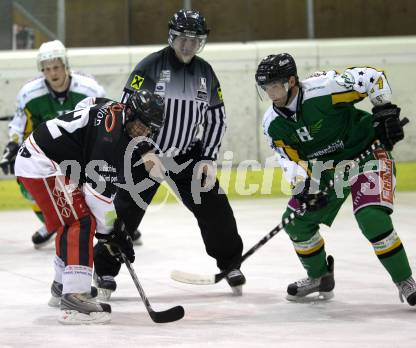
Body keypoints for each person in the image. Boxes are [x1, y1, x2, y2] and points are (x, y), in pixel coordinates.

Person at [93, 9, 246, 299]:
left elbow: (216, 118)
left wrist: (208, 157)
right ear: (171, 37)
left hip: (188, 156)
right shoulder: (149, 67)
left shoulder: (206, 73)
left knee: (215, 208)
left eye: (195, 41)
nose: (188, 46)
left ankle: (230, 264)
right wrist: (146, 150)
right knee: (125, 212)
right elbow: (126, 112)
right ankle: (104, 271)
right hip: (143, 154)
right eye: (183, 39)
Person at [255, 53, 416, 308]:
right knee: (296, 222)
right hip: (328, 169)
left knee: (371, 217)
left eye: (275, 86)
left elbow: (372, 77)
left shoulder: (324, 88)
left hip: (367, 152)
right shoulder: (272, 124)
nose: (270, 93)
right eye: (265, 87)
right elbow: (288, 159)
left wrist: (384, 112)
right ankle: (320, 277)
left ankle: (405, 280)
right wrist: (303, 186)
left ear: (291, 81)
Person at [14, 89, 165, 324]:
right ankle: (74, 297)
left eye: (150, 129)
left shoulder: (115, 108)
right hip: (42, 164)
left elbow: (89, 102)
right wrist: (112, 234)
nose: (144, 132)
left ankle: (61, 284)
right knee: (81, 220)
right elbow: (97, 197)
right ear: (131, 113)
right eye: (141, 126)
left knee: (72, 218)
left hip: (46, 158)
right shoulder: (110, 141)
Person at [0, 39, 106, 249]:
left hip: (81, 152)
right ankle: (53, 223)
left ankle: (107, 225)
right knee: (27, 184)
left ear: (66, 65)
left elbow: (103, 120)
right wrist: (11, 148)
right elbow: (19, 124)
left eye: (56, 67)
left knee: (99, 184)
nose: (53, 73)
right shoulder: (29, 93)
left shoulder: (89, 88)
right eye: (47, 69)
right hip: (46, 155)